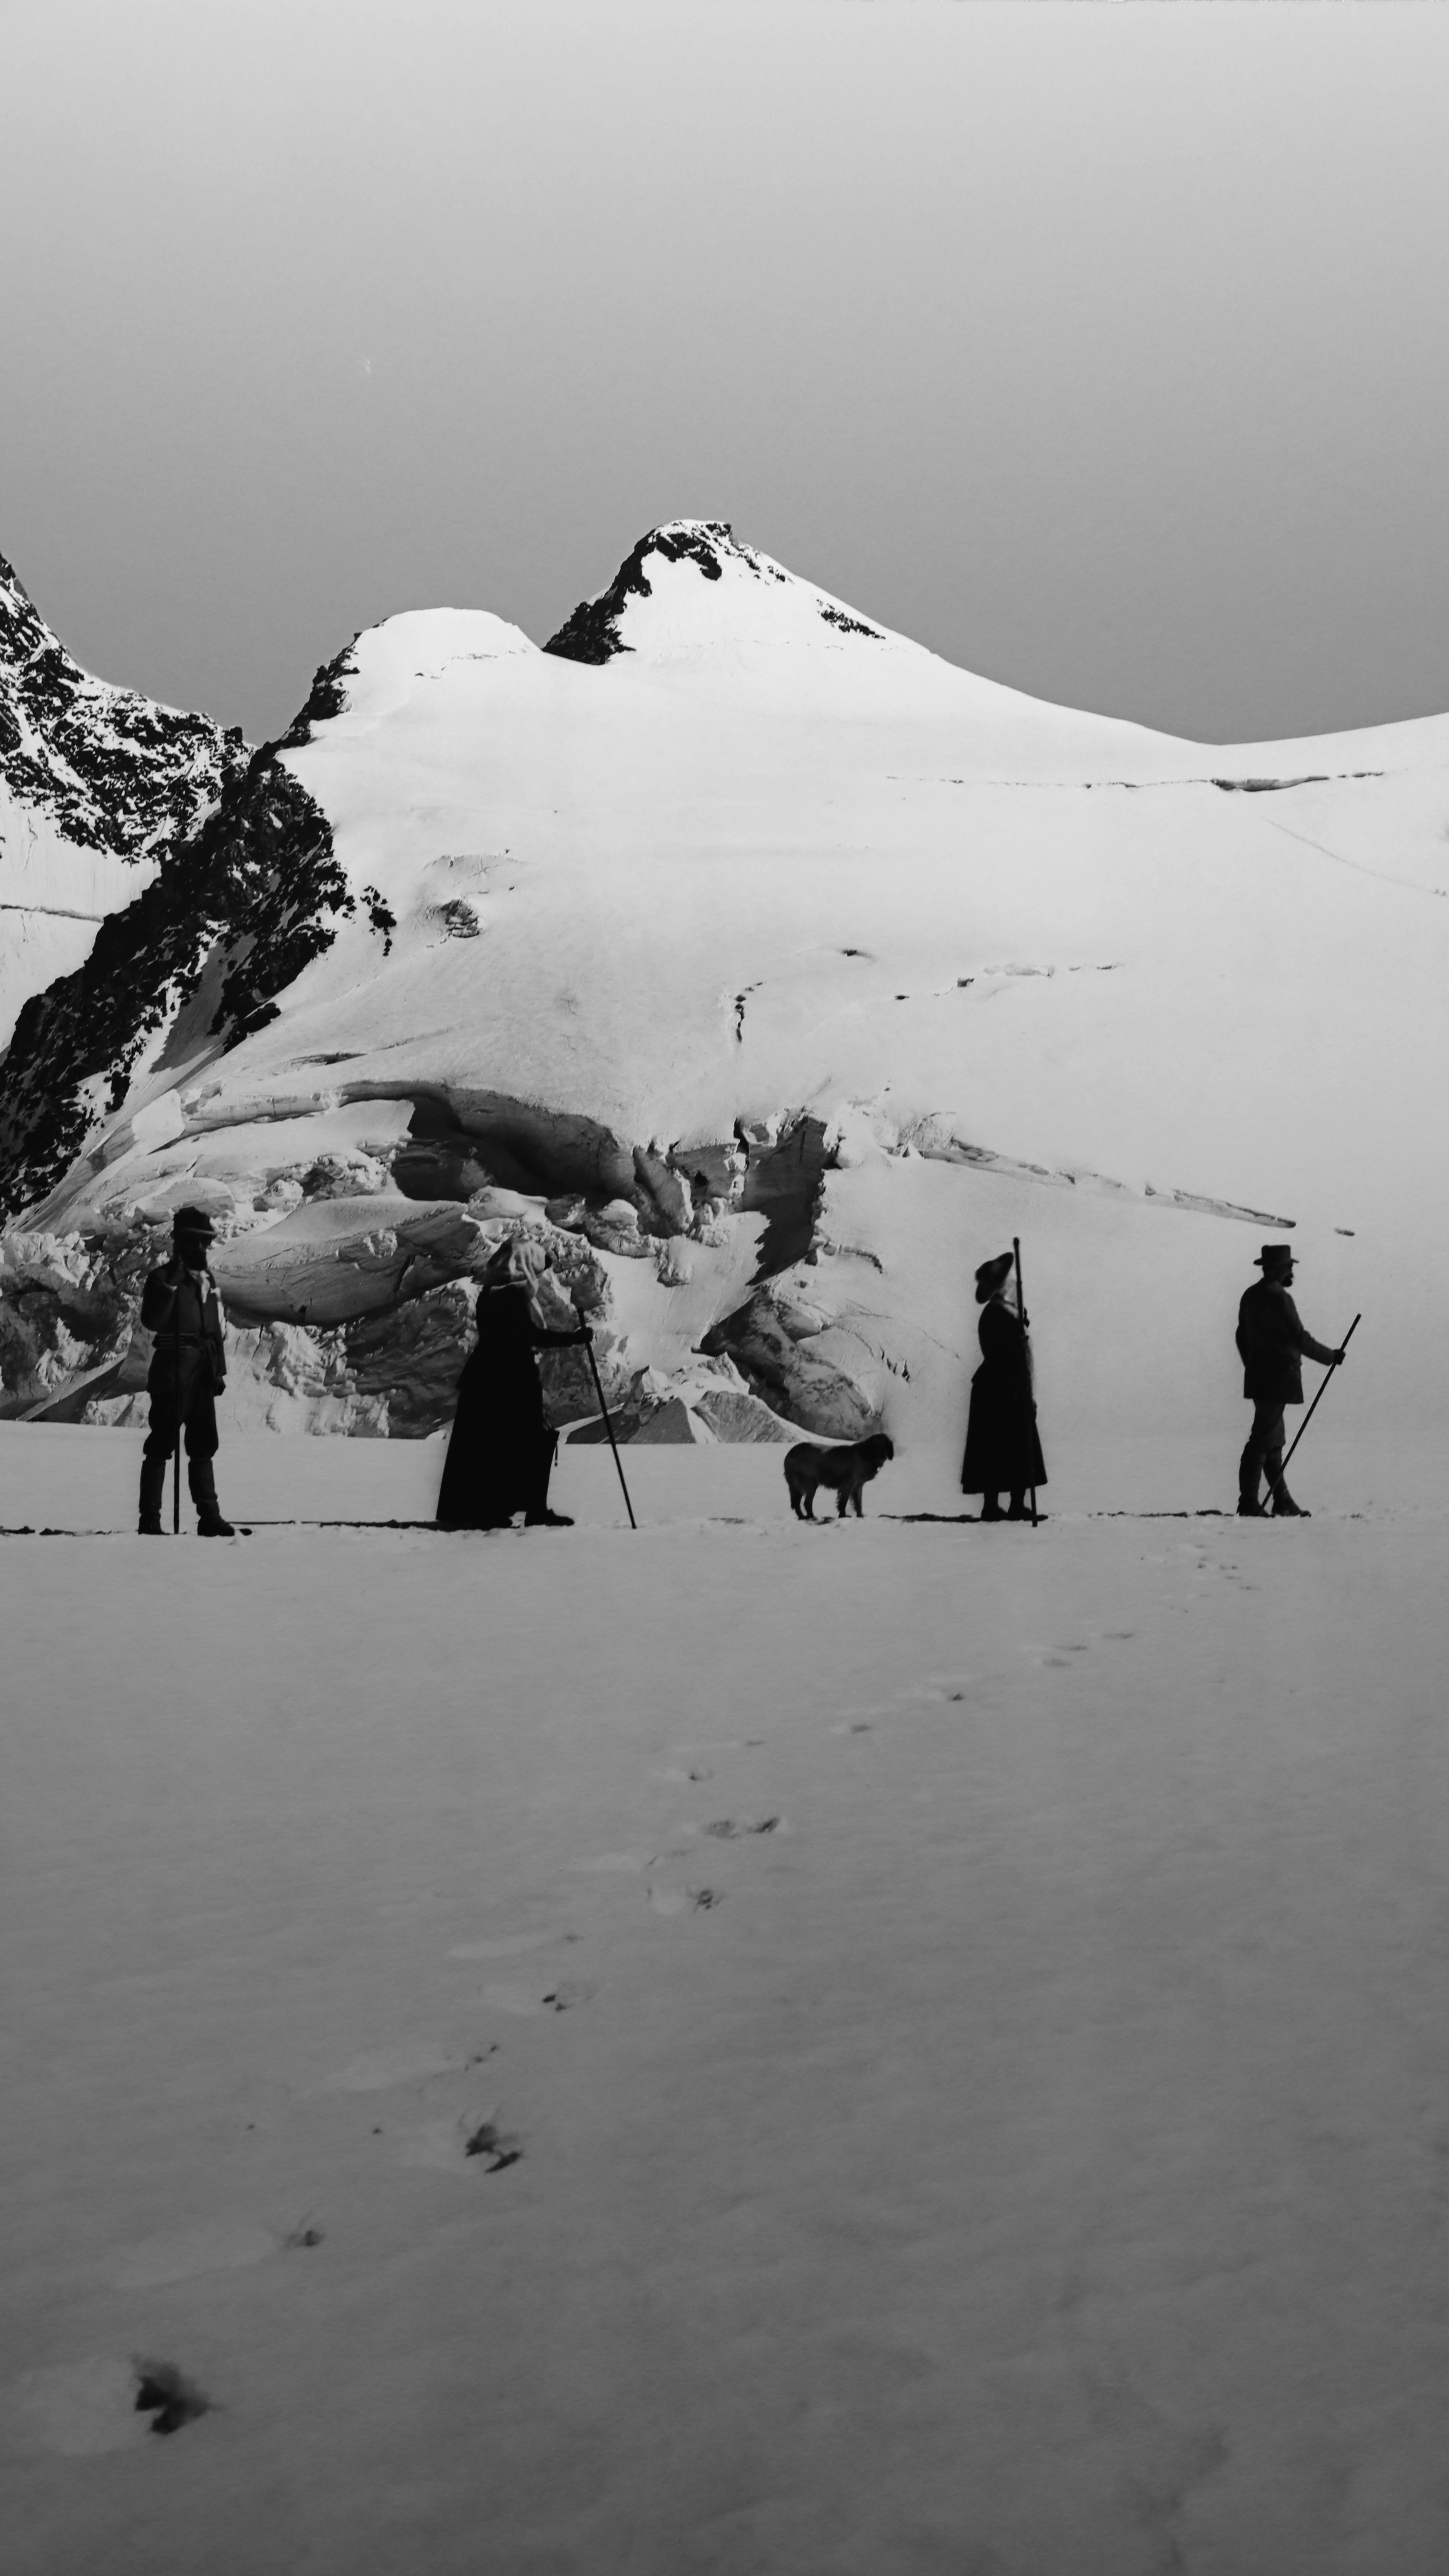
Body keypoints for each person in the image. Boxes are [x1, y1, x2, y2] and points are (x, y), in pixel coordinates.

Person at [436, 1238, 593, 1530]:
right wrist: (573, 1339)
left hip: (485, 1376)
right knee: (531, 1441)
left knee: (489, 1445)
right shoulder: (510, 1296)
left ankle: (485, 1509)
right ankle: (531, 1509)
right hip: (510, 1377)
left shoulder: (491, 1291)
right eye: (538, 1266)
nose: (540, 1274)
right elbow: (527, 1336)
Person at [137, 1206, 235, 1537]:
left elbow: (212, 1330)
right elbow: (153, 1321)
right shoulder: (162, 1279)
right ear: (182, 1243)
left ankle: (209, 1516)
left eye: (205, 1244)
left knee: (204, 1443)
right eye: (197, 1243)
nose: (203, 1250)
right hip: (172, 1370)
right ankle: (149, 1519)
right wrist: (172, 1287)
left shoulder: (207, 1281)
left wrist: (218, 1371)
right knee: (162, 1443)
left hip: (202, 1370)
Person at [1236, 1244, 1346, 1517]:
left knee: (1273, 1440)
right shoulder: (1278, 1298)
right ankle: (1249, 1503)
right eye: (1288, 1266)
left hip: (1260, 1377)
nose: (1291, 1270)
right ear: (1275, 1269)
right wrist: (1330, 1356)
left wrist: (1251, 1365)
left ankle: (1281, 1501)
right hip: (1278, 1378)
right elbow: (1298, 1338)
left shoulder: (1250, 1296)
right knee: (1262, 1440)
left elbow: (1240, 1336)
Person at [960, 1251, 1046, 1521]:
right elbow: (1003, 1354)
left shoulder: (1009, 1314)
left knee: (1011, 1444)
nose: (1015, 1284)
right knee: (999, 1445)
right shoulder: (997, 1315)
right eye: (1009, 1281)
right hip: (999, 1387)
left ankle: (1013, 1504)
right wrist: (1018, 1388)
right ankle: (995, 1505)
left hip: (1003, 1385)